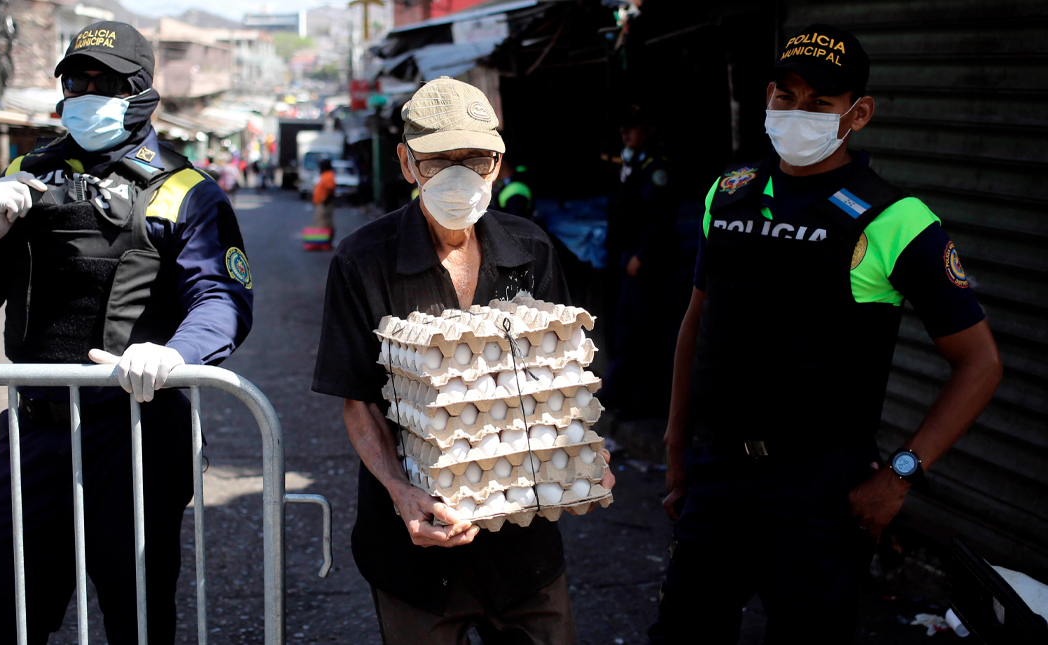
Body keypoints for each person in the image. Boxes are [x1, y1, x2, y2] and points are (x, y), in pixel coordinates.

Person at [650, 24, 1002, 643]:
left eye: (820, 102)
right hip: (718, 469)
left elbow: (980, 364)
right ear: (767, 98)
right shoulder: (728, 195)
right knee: (683, 631)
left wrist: (898, 476)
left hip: (818, 489)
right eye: (785, 96)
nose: (797, 113)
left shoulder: (897, 220)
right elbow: (696, 323)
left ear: (857, 114)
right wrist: (677, 448)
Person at [0, 21, 254, 643]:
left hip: (134, 431)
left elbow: (222, 298)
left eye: (105, 83)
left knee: (136, 620)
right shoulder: (28, 174)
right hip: (35, 432)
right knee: (5, 620)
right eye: (76, 82)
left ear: (141, 93)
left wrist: (174, 353)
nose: (87, 94)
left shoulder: (187, 191)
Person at [311, 76, 615, 645]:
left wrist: (577, 459)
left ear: (497, 163)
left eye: (474, 159)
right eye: (437, 161)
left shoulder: (531, 249)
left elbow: (561, 379)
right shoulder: (362, 261)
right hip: (415, 551)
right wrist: (401, 491)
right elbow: (359, 402)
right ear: (407, 163)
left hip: (524, 552)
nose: (458, 177)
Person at [600, 104, 678, 419]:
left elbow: (660, 218)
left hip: (647, 263)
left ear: (649, 131)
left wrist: (642, 255)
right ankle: (618, 391)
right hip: (628, 260)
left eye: (632, 128)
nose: (625, 134)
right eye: (623, 129)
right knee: (626, 329)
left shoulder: (656, 167)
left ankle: (648, 399)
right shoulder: (631, 164)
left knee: (649, 334)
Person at [311, 157, 337, 241]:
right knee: (323, 222)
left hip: (325, 204)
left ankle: (325, 241)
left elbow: (330, 190)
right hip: (321, 203)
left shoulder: (329, 175)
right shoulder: (324, 175)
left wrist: (325, 201)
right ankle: (325, 241)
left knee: (325, 223)